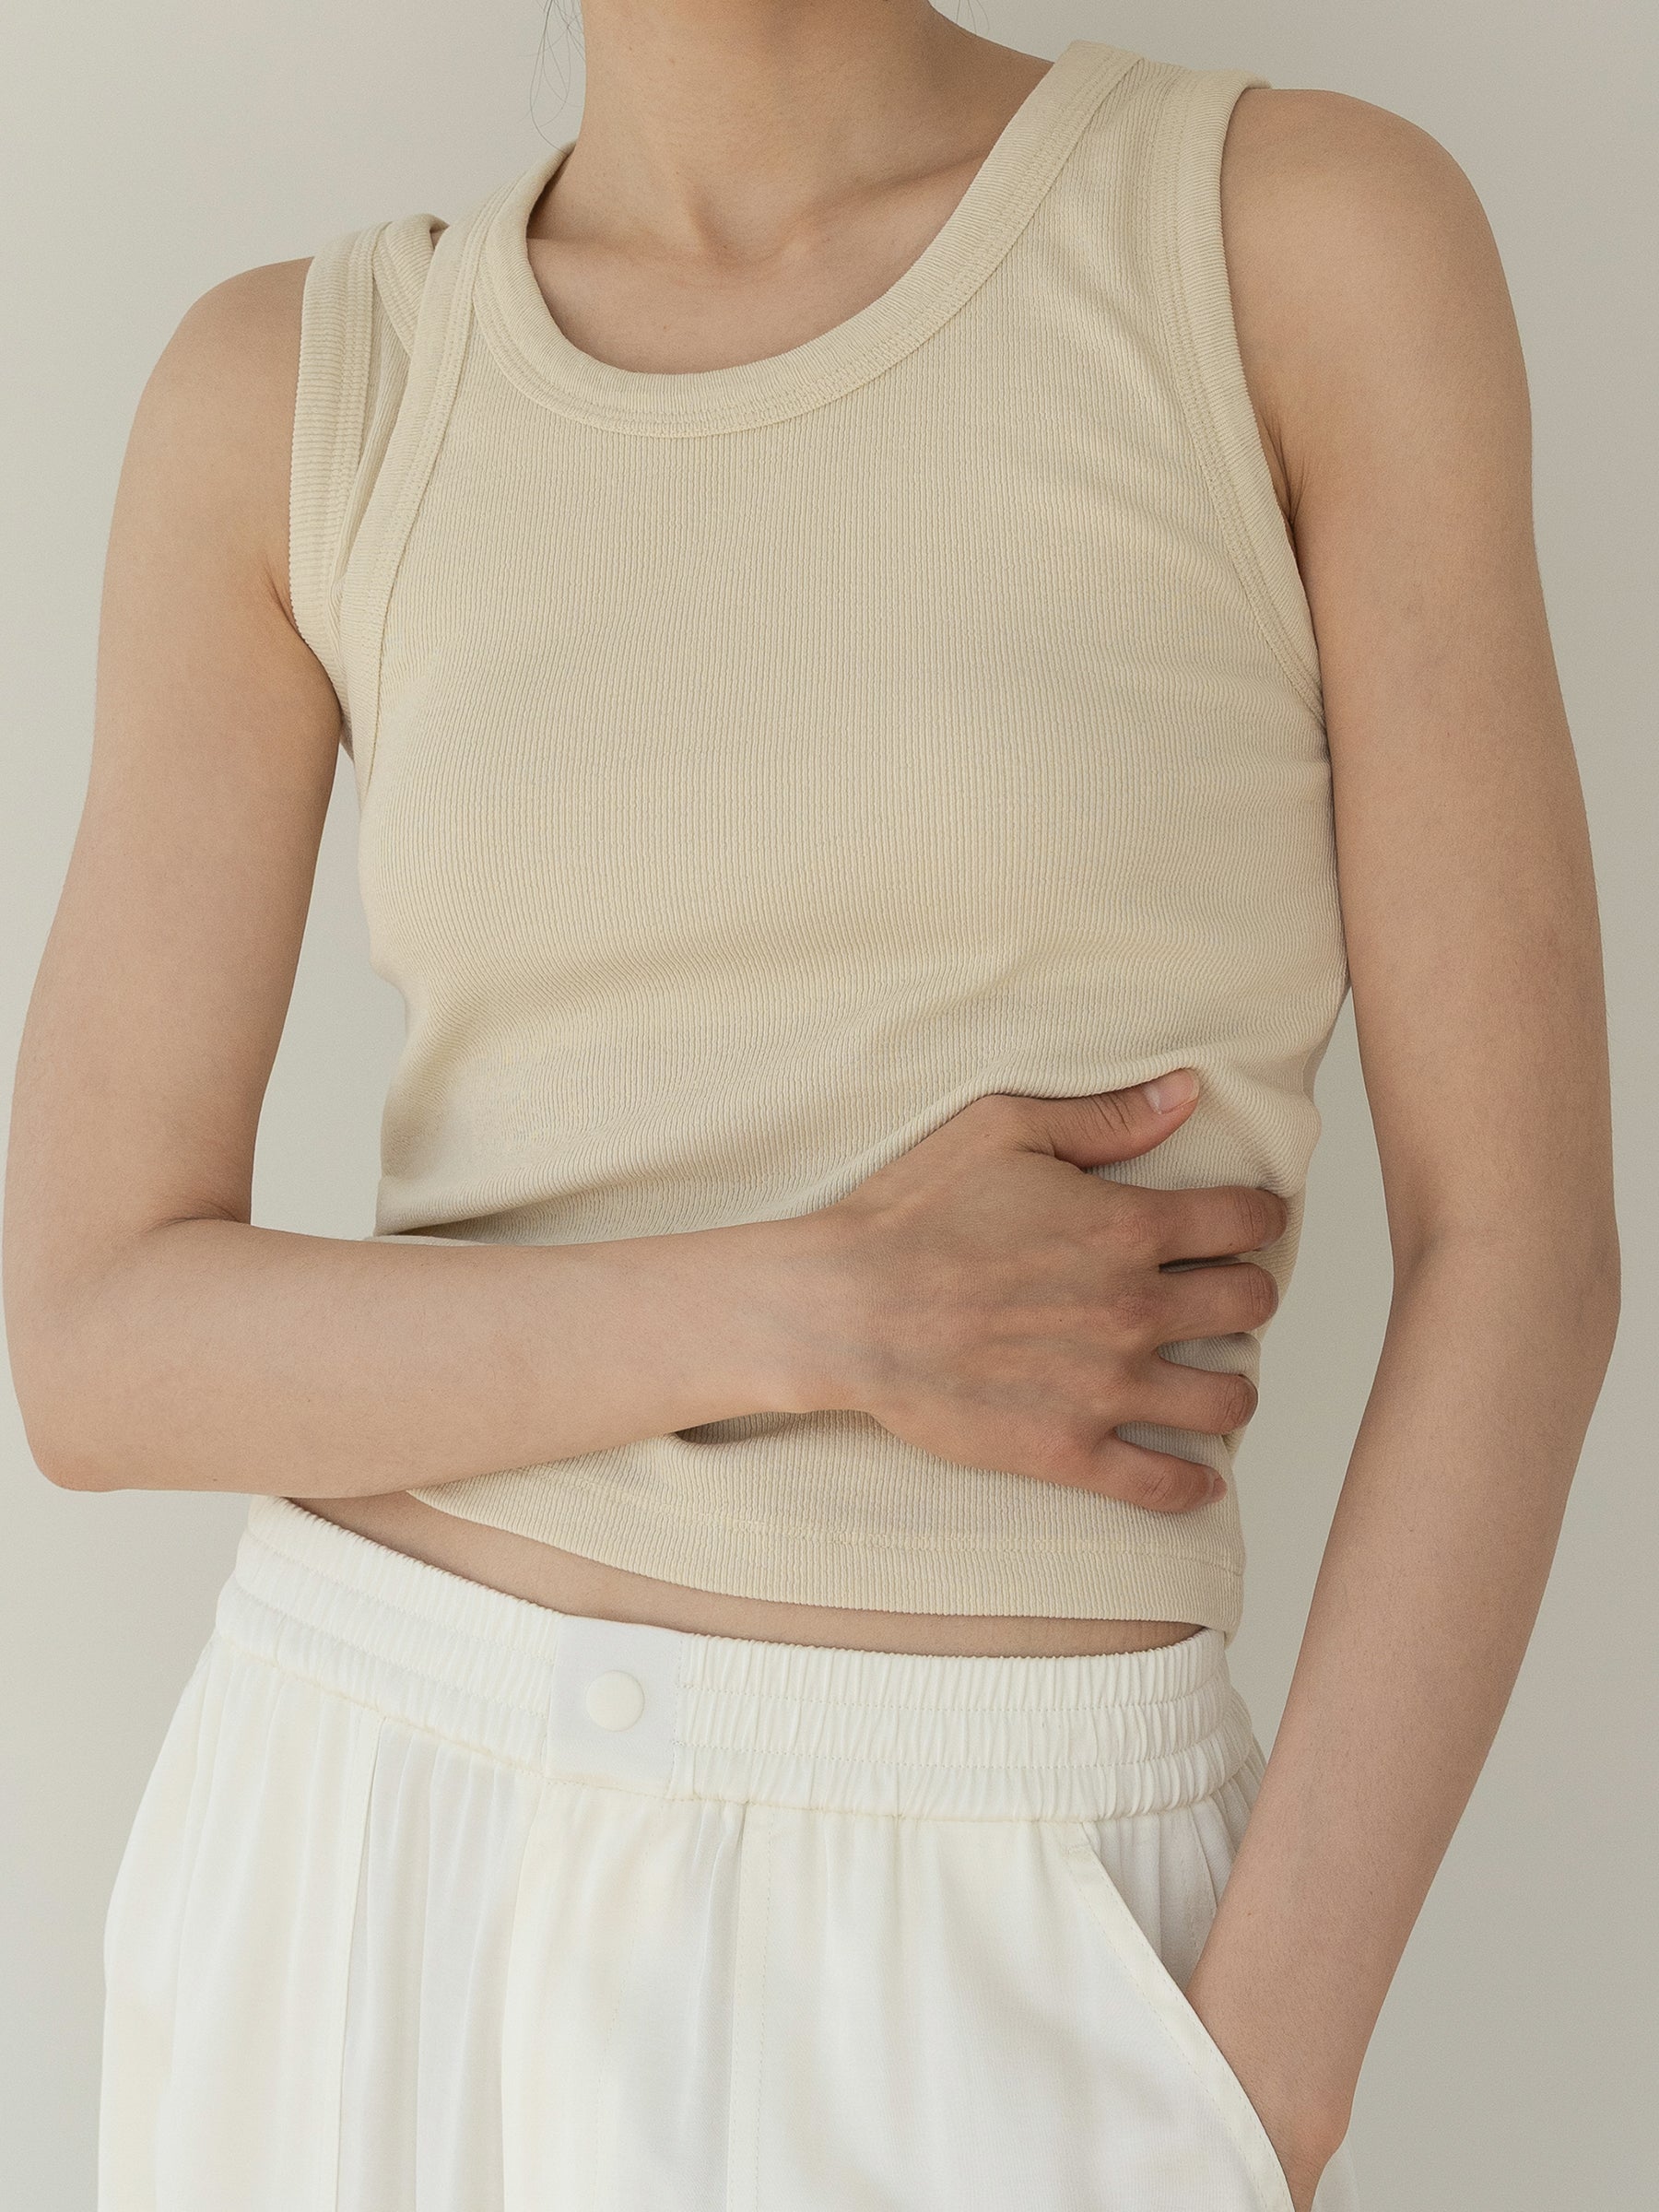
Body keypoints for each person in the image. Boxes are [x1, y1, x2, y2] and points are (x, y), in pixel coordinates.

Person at [3, 6, 1618, 2209]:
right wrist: (816, 1313)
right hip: (370, 1855)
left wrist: (1264, 2088)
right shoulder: (298, 386)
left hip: (1001, 1908)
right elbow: (97, 1345)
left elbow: (1521, 1246)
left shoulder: (1287, 242)